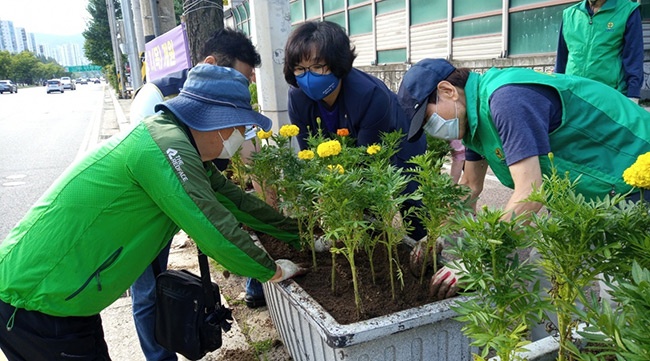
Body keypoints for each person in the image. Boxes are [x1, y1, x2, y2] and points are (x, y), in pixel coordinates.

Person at [0, 64, 307, 361]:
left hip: (65, 301)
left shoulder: (180, 146)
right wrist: (272, 270)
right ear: (218, 121)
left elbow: (237, 202)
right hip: (35, 301)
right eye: (241, 126)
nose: (243, 135)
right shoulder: (163, 148)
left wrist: (301, 234)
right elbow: (213, 227)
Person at [397, 58, 650, 300]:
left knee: (623, 293)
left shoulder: (506, 99)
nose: (433, 129)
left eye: (429, 119)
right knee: (545, 274)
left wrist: (477, 260)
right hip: (584, 193)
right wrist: (438, 235)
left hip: (633, 176)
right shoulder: (473, 121)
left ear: (448, 90)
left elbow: (530, 193)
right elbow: (470, 186)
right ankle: (553, 344)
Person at [129, 28, 267, 361]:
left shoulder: (232, 102)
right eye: (243, 76)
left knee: (238, 220)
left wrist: (268, 209)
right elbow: (173, 181)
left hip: (200, 183)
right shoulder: (156, 98)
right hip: (149, 206)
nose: (245, 86)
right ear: (211, 64)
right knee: (148, 292)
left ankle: (253, 287)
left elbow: (251, 156)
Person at [283, 20, 428, 240]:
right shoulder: (298, 98)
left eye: (318, 67)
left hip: (397, 140)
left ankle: (422, 249)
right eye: (300, 69)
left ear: (337, 63)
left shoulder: (369, 95)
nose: (308, 76)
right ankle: (370, 245)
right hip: (352, 143)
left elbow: (366, 161)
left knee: (406, 194)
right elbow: (310, 155)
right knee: (353, 208)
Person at [555, 0, 643, 103]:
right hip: (573, 94)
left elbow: (634, 56)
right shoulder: (570, 14)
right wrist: (556, 87)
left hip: (609, 95)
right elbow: (561, 58)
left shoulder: (627, 10)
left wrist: (633, 93)